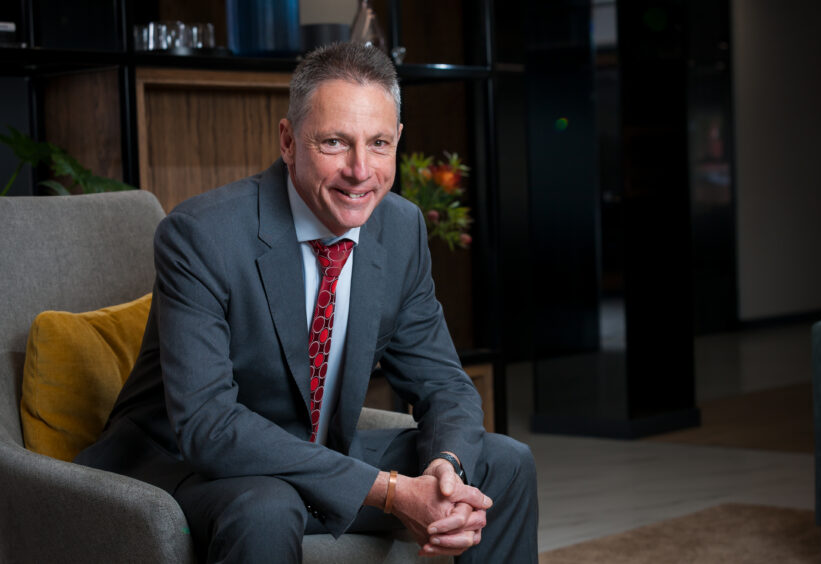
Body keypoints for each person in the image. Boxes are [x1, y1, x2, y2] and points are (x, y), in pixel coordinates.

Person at [76, 42, 538, 563]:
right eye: (335, 142)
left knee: (505, 462)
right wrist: (387, 490)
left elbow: (443, 383)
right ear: (289, 141)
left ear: (398, 142)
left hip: (318, 457)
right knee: (268, 505)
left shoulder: (401, 228)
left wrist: (444, 469)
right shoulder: (201, 235)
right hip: (183, 463)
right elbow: (209, 424)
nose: (360, 170)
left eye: (379, 143)